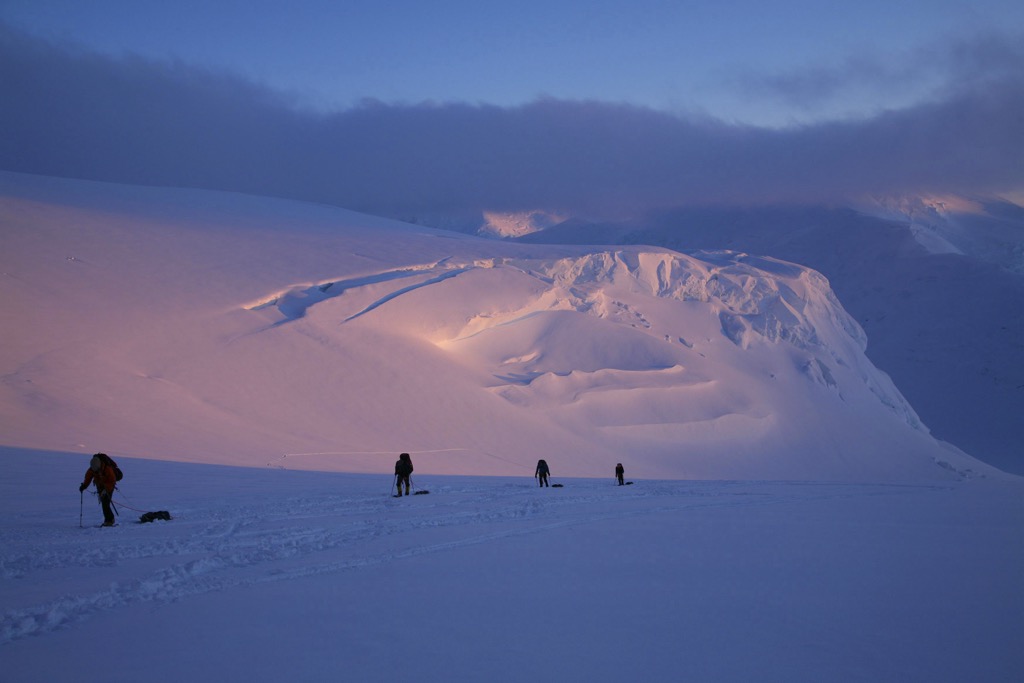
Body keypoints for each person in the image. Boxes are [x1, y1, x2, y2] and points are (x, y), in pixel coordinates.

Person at [79, 453, 117, 526]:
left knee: (105, 503)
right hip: (100, 487)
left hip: (109, 487)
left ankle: (109, 520)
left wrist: (106, 490)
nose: (95, 472)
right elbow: (88, 478)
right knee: (105, 503)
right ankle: (109, 519)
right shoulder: (92, 469)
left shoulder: (107, 469)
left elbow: (112, 481)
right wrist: (84, 486)